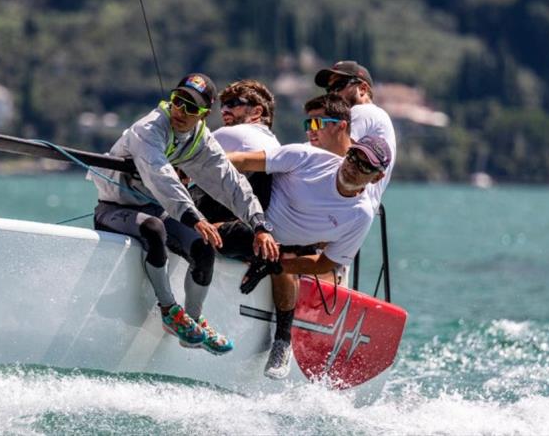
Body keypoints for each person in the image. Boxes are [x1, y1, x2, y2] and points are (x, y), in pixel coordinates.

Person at [92, 73, 279, 356]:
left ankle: (192, 323)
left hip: (155, 208)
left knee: (205, 246)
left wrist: (259, 224)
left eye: (192, 108)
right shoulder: (150, 129)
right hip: (115, 209)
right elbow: (161, 176)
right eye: (179, 101)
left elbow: (231, 184)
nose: (181, 111)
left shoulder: (199, 140)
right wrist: (195, 218)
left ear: (203, 115)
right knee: (155, 229)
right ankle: (169, 310)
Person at [224, 132, 392, 378]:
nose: (354, 167)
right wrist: (183, 168)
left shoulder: (360, 214)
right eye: (354, 157)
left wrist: (277, 267)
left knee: (282, 259)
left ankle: (282, 340)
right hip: (250, 215)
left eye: (365, 166)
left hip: (285, 246)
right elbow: (241, 160)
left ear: (377, 177)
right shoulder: (308, 158)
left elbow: (327, 263)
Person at [191, 79, 280, 222]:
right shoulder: (274, 142)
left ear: (257, 112)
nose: (224, 110)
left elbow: (183, 157)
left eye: (233, 104)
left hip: (232, 218)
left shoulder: (234, 133)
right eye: (223, 105)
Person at [315, 61, 396, 209]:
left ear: (363, 89)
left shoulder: (363, 111)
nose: (333, 95)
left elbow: (330, 154)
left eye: (338, 87)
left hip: (343, 203)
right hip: (353, 207)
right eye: (329, 91)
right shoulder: (378, 116)